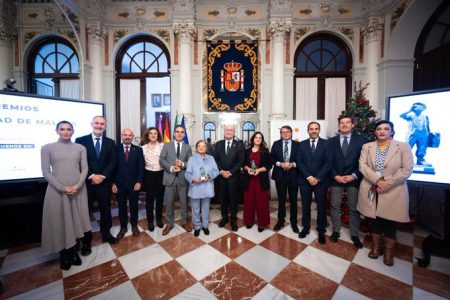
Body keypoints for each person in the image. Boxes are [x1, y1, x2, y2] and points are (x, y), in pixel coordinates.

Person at [357, 120, 413, 266]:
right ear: (375, 132)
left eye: (386, 129)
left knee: (389, 220)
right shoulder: (367, 147)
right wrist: (377, 181)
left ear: (392, 132)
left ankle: (389, 252)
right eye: (379, 129)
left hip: (393, 189)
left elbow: (406, 169)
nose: (382, 131)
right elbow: (363, 166)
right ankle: (376, 248)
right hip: (372, 186)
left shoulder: (402, 147)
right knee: (375, 219)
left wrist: (387, 182)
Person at [41, 121, 92, 270]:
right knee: (61, 222)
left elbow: (85, 169)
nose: (65, 132)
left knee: (77, 221)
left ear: (73, 131)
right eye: (62, 129)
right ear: (57, 131)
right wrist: (62, 188)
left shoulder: (80, 148)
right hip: (57, 191)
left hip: (78, 190)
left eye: (68, 129)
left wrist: (78, 185)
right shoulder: (47, 148)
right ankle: (64, 254)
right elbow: (45, 172)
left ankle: (73, 251)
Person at [75, 116, 118, 244]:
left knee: (105, 210)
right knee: (84, 212)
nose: (99, 126)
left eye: (102, 124)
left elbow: (113, 162)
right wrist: (91, 176)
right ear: (92, 124)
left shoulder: (111, 142)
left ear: (105, 126)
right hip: (86, 183)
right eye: (97, 123)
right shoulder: (81, 140)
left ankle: (106, 234)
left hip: (104, 184)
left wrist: (102, 176)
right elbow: (78, 162)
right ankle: (86, 241)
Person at [329, 116, 367, 248]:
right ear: (338, 126)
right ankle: (336, 231)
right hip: (336, 179)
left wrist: (354, 175)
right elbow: (328, 161)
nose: (344, 125)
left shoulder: (362, 141)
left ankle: (355, 234)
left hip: (353, 179)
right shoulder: (331, 141)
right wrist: (335, 175)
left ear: (352, 125)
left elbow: (365, 162)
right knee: (334, 205)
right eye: (342, 123)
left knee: (354, 207)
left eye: (347, 122)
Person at [296, 122, 332, 244]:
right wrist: (309, 177)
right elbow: (299, 162)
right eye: (311, 129)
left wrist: (317, 178)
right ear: (308, 130)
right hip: (305, 180)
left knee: (321, 207)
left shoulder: (327, 144)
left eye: (316, 129)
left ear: (319, 130)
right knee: (305, 206)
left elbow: (328, 163)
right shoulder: (301, 144)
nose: (314, 131)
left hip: (321, 181)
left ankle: (321, 230)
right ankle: (305, 228)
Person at [159, 125, 192, 235]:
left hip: (183, 179)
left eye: (182, 132)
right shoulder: (167, 145)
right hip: (169, 178)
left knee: (184, 203)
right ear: (174, 133)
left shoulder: (187, 147)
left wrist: (182, 164)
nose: (179, 133)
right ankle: (169, 223)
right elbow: (162, 160)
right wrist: (171, 168)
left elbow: (190, 162)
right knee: (169, 203)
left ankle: (184, 221)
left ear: (184, 134)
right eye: (177, 131)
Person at [112, 128, 145, 240]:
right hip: (119, 184)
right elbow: (112, 167)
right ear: (121, 136)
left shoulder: (138, 150)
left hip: (134, 184)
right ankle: (123, 227)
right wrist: (113, 183)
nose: (127, 137)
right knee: (121, 207)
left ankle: (134, 226)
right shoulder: (115, 149)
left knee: (134, 206)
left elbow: (141, 168)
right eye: (125, 135)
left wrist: (139, 182)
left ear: (132, 136)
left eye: (129, 135)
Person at [213, 124, 245, 231]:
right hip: (221, 176)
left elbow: (240, 162)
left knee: (233, 199)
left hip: (234, 177)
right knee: (223, 198)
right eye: (227, 130)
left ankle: (233, 219)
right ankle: (224, 217)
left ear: (234, 132)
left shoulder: (239, 145)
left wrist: (230, 172)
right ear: (224, 131)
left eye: (231, 130)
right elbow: (215, 160)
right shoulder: (218, 144)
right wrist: (221, 171)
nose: (229, 131)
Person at [185, 140, 219, 237]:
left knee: (205, 208)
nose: (201, 148)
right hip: (195, 187)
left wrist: (209, 176)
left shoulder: (211, 158)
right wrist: (192, 179)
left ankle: (205, 226)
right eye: (199, 146)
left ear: (206, 148)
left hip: (207, 187)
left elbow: (216, 171)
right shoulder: (191, 159)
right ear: (196, 148)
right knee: (195, 209)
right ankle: (197, 227)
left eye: (203, 146)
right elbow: (187, 174)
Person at [270, 125, 300, 233]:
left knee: (293, 201)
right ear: (280, 133)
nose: (286, 133)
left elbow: (301, 159)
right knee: (281, 201)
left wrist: (293, 164)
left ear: (291, 133)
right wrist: (279, 164)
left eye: (288, 131)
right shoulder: (276, 144)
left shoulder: (298, 144)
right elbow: (271, 158)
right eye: (283, 132)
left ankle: (294, 222)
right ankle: (280, 221)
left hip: (293, 176)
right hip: (280, 175)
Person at [243, 132, 272, 232]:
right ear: (253, 139)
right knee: (249, 201)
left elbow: (269, 166)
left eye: (260, 138)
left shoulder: (265, 151)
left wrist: (258, 170)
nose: (258, 139)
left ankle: (262, 223)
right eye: (256, 137)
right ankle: (249, 221)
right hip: (249, 179)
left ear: (262, 140)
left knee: (262, 202)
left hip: (261, 180)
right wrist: (248, 169)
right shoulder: (246, 151)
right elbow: (244, 164)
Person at [142, 127, 165, 231]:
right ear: (147, 135)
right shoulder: (143, 147)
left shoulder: (163, 146)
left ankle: (159, 219)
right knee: (149, 199)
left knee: (160, 198)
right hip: (148, 174)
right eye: (151, 133)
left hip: (160, 173)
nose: (153, 135)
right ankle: (150, 221)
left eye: (155, 133)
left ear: (158, 135)